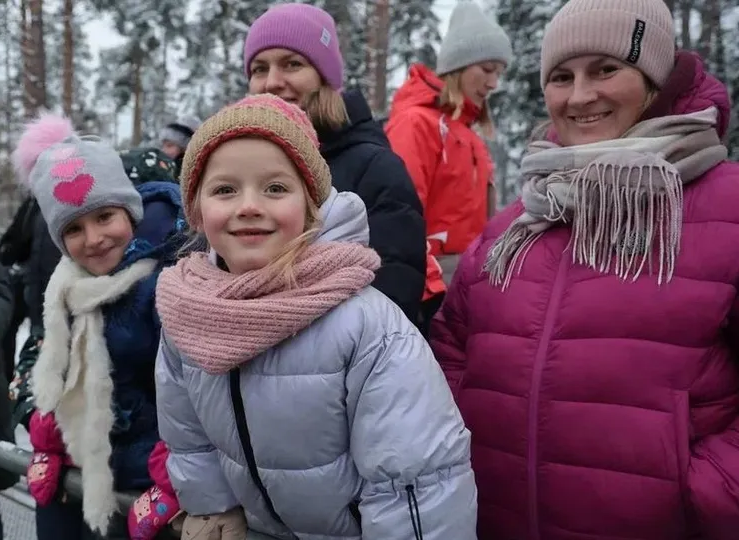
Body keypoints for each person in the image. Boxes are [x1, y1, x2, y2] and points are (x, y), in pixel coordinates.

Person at [432, 0, 739, 538]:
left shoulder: (726, 208)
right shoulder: (512, 229)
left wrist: (707, 490)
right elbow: (451, 357)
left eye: (606, 69)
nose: (579, 96)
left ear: (656, 80)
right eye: (561, 76)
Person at [156, 94, 476, 539]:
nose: (249, 205)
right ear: (196, 209)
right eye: (225, 189)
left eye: (275, 188)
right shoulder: (187, 313)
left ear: (312, 207)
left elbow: (415, 478)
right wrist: (212, 504)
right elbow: (187, 433)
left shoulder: (365, 325)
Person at [12, 114, 186, 538]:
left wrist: (174, 476)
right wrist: (49, 439)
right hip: (82, 466)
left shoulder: (164, 286)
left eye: (105, 217)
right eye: (73, 228)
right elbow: (55, 371)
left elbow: (190, 389)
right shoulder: (67, 290)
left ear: (131, 212)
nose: (93, 238)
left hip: (144, 475)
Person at [244, 3, 427, 326]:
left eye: (292, 64)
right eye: (259, 69)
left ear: (324, 78)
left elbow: (391, 305)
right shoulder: (236, 167)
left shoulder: (375, 169)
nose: (272, 81)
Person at [385, 0, 512, 327]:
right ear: (457, 66)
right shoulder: (416, 124)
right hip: (431, 289)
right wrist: (430, 294)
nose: (494, 83)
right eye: (486, 70)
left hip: (468, 285)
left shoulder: (468, 135)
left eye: (499, 72)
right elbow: (401, 216)